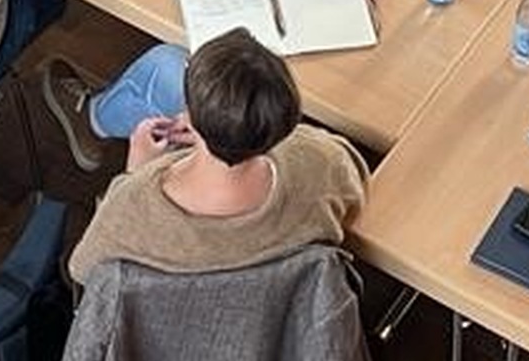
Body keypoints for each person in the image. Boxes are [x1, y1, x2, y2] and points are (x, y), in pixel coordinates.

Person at [48, 28, 366, 276]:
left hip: (166, 341)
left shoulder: (135, 205)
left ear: (190, 112)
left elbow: (83, 270)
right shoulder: (323, 160)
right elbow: (353, 177)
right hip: (273, 319)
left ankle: (92, 118)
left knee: (163, 62)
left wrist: (134, 177)